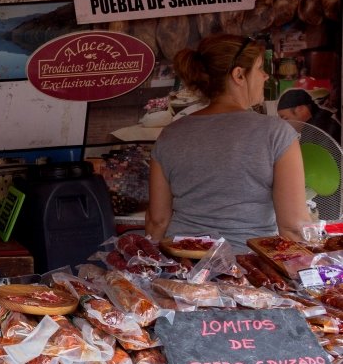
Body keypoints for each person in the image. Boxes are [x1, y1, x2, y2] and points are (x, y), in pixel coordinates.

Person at [146, 34, 310, 249]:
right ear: (239, 75)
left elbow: (157, 221)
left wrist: (149, 265)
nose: (265, 77)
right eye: (260, 68)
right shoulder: (277, 133)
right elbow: (293, 227)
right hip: (247, 269)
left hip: (182, 265)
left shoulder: (170, 134)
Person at [277, 88, 341, 140]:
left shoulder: (314, 132)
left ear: (301, 110)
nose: (283, 124)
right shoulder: (325, 119)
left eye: (285, 119)